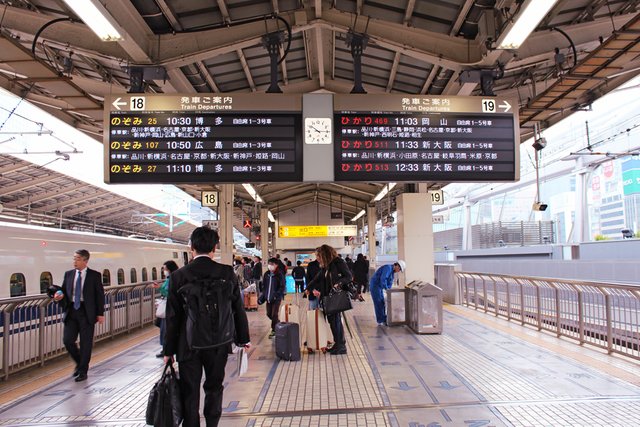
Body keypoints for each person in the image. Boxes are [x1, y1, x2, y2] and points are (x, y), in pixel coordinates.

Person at [163, 226, 250, 427]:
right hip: (219, 342)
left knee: (190, 390)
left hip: (188, 344)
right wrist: (243, 339)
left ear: (191, 247)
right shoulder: (227, 273)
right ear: (214, 248)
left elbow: (172, 317)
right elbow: (238, 309)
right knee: (214, 387)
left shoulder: (179, 276)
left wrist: (169, 350)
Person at [52, 249, 105, 382]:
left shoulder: (94, 276)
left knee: (86, 343)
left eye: (77, 259)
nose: (74, 261)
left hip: (87, 312)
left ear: (85, 261)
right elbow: (64, 290)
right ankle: (80, 363)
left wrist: (100, 313)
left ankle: (82, 371)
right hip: (71, 311)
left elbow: (99, 295)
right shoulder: (69, 274)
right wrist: (58, 296)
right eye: (74, 258)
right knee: (68, 340)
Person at [306, 244, 353, 355]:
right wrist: (308, 288)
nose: (317, 258)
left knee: (336, 321)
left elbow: (348, 276)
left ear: (325, 254)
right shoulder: (327, 266)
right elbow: (317, 278)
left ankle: (341, 346)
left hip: (335, 297)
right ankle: (338, 344)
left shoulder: (338, 262)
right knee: (333, 322)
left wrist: (338, 283)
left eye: (318, 256)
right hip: (328, 297)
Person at [152, 260, 179, 358]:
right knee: (164, 328)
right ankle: (166, 349)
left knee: (166, 329)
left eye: (165, 269)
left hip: (169, 307)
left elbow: (170, 293)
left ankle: (167, 350)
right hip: (167, 306)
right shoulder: (170, 278)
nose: (164, 271)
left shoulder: (172, 279)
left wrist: (160, 288)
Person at [369, 260, 406, 326]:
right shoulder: (388, 268)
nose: (399, 271)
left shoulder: (392, 272)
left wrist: (389, 289)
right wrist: (387, 289)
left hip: (379, 287)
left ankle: (383, 318)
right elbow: (383, 279)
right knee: (378, 302)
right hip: (375, 286)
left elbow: (389, 282)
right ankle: (381, 320)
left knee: (381, 302)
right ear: (397, 265)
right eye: (399, 269)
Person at [260, 258, 286, 338]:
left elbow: (282, 286)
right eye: (269, 264)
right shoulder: (266, 274)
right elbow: (264, 286)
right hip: (268, 297)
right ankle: (278, 323)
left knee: (274, 314)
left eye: (272, 264)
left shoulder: (279, 275)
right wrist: (262, 297)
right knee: (269, 314)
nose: (270, 266)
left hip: (276, 298)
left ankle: (274, 330)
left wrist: (276, 295)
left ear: (276, 265)